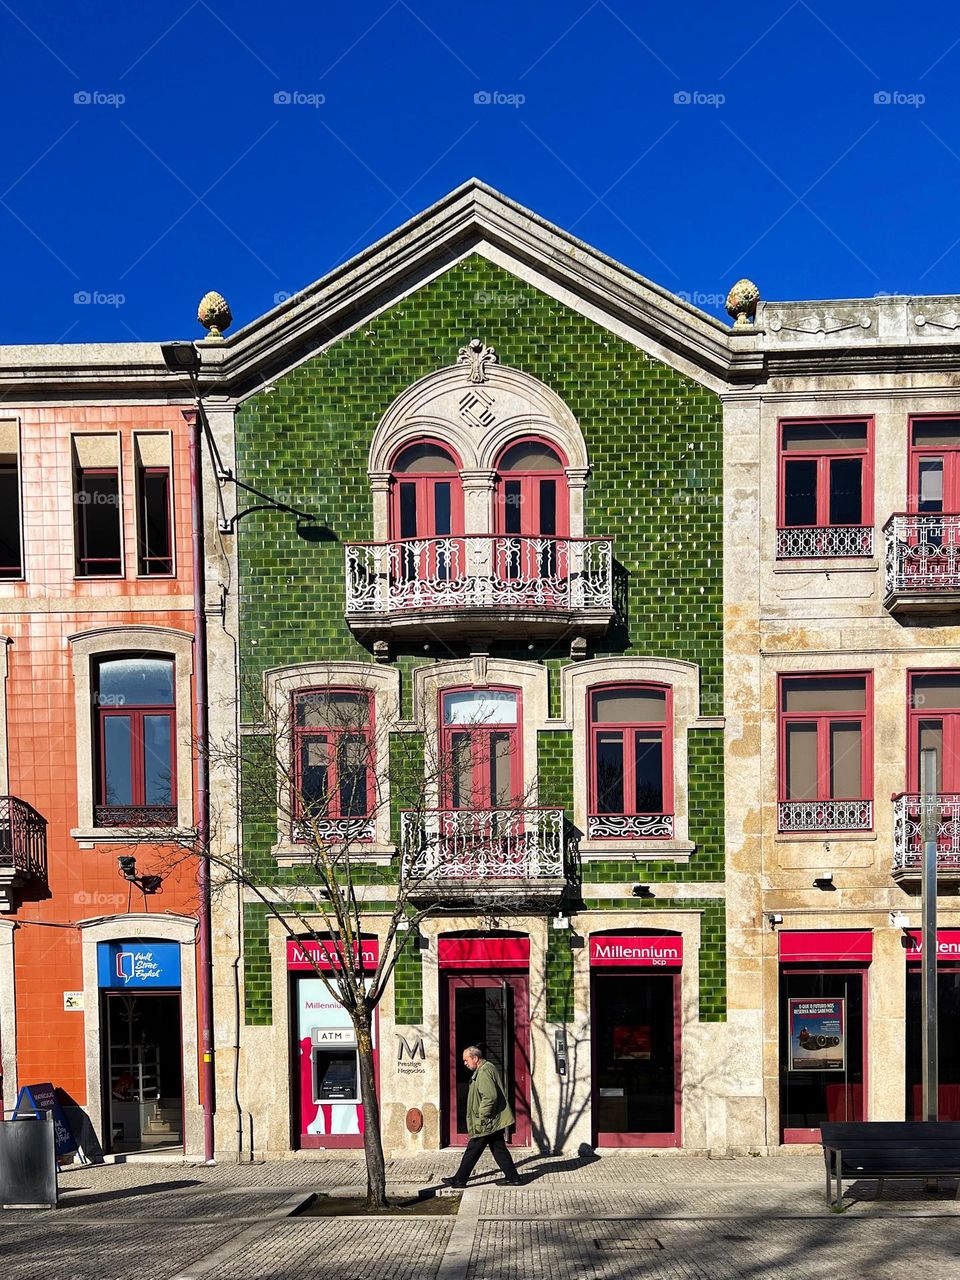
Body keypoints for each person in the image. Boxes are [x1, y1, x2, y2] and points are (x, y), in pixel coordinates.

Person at [443, 1045, 523, 1187]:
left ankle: (459, 1180)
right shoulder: (486, 1068)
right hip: (491, 1119)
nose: (465, 1063)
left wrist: (482, 1115)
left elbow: (490, 1096)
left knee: (473, 1148)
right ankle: (513, 1177)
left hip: (486, 1120)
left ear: (475, 1058)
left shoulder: (484, 1071)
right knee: (498, 1148)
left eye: (466, 1060)